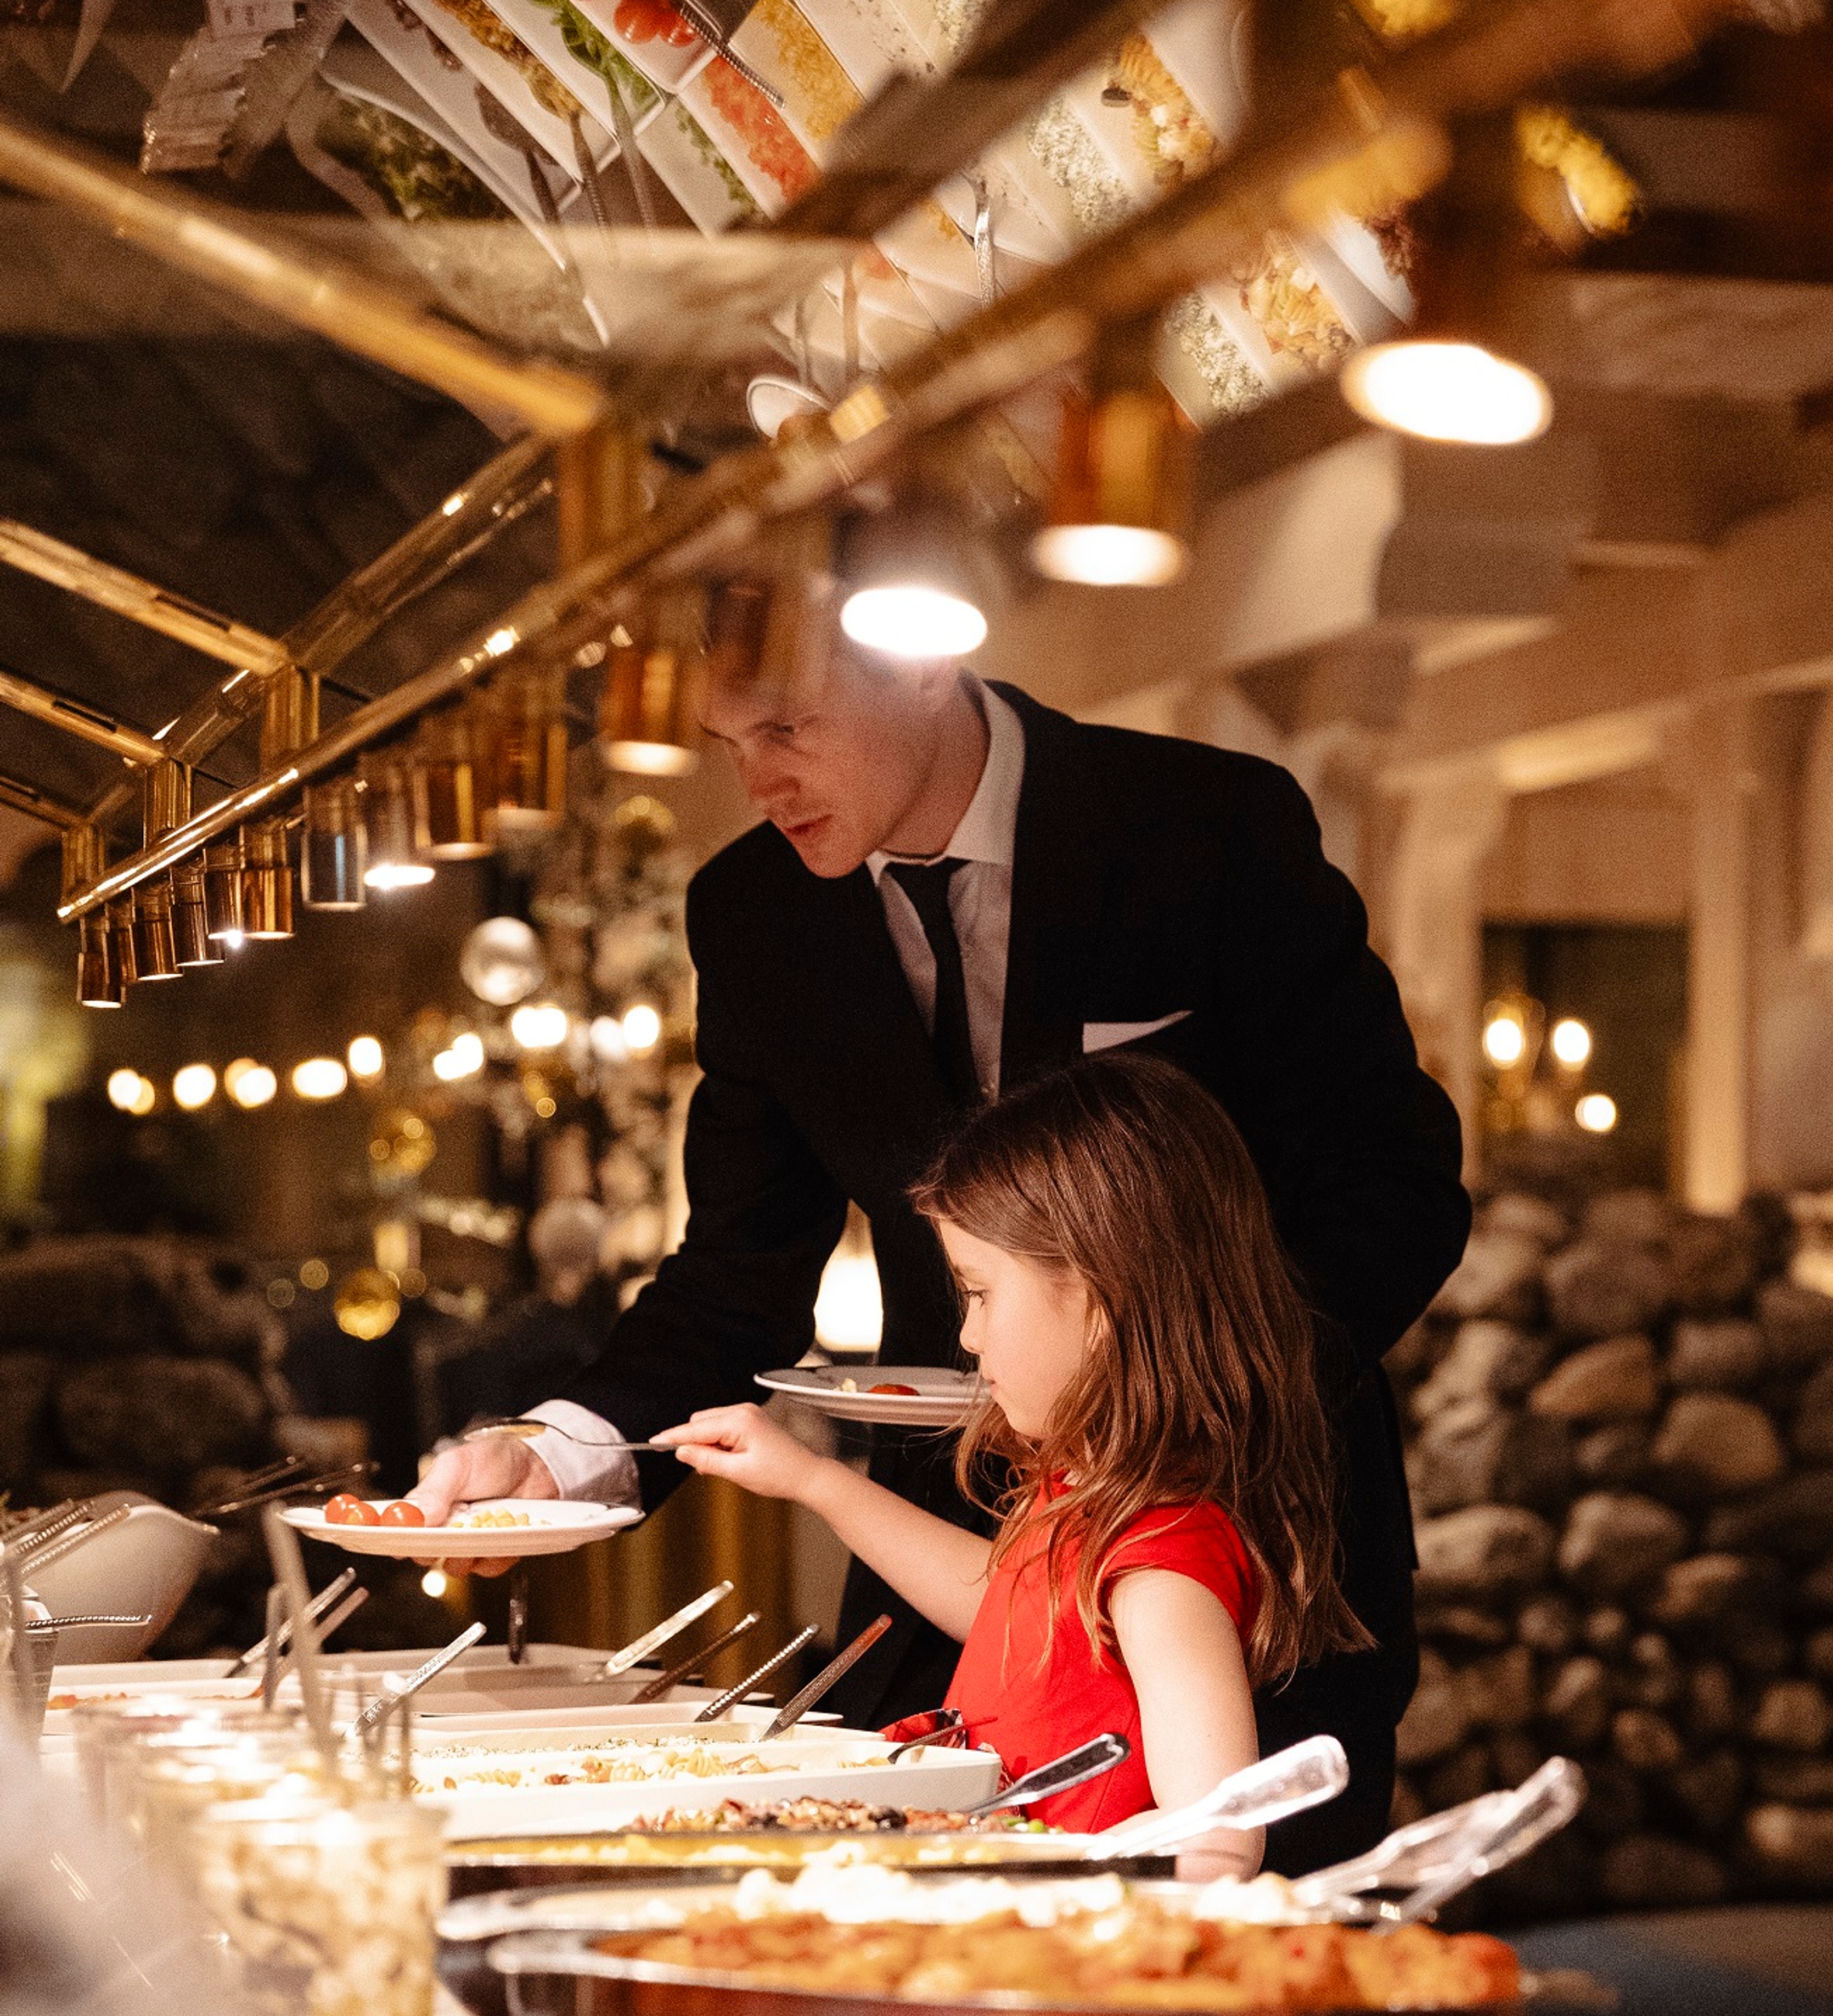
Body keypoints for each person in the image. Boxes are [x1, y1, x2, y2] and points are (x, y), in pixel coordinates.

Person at [418, 621, 1470, 1866]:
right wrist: (565, 1451)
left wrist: (1188, 1392)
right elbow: (740, 1259)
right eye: (728, 743)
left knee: (1241, 1975)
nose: (757, 781)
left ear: (919, 659)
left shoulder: (1207, 825)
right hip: (961, 1569)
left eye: (788, 727)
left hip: (1253, 1541)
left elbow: (1397, 1186)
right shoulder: (755, 913)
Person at [652, 1058, 1367, 1879]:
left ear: (1101, 1300)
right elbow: (1006, 1607)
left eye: (981, 1293)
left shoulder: (1162, 1560)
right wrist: (814, 1480)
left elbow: (1220, 1836)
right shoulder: (1087, 1493)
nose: (966, 1335)